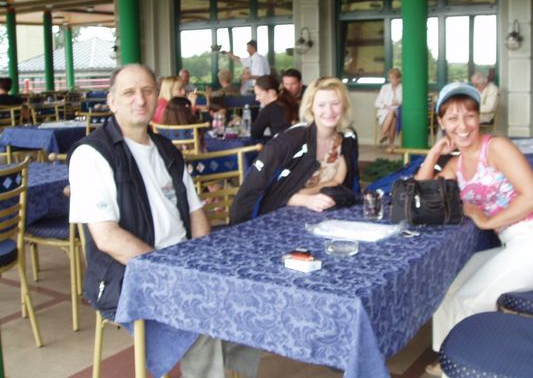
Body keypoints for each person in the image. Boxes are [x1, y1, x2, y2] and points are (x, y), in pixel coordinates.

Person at [68, 64, 260, 378]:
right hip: (127, 275)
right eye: (129, 92)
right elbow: (107, 238)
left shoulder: (165, 149)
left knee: (245, 293)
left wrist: (201, 260)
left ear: (157, 96)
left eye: (147, 91)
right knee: (200, 312)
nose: (139, 99)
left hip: (180, 261)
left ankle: (232, 369)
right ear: (112, 101)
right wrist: (168, 270)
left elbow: (196, 213)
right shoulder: (92, 155)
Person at [415, 82, 533, 377]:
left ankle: (468, 367)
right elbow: (421, 196)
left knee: (470, 297)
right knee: (447, 287)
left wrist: (488, 221)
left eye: (469, 116)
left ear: (480, 117)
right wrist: (435, 152)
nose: (463, 126)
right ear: (441, 122)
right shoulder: (456, 165)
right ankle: (451, 359)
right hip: (516, 244)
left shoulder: (496, 147)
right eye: (452, 118)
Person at [230, 77, 360, 224]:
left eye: (335, 104)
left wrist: (308, 195)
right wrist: (304, 200)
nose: (329, 111)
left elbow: (340, 183)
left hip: (326, 219)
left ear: (344, 106)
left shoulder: (347, 139)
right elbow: (258, 195)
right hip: (278, 222)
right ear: (311, 107)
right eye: (321, 105)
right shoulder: (288, 142)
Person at [251, 75, 298, 140]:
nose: (256, 98)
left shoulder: (268, 110)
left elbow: (255, 134)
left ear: (270, 92)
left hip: (284, 144)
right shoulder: (290, 102)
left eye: (258, 94)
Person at [374, 68, 402, 149]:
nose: (390, 80)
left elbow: (405, 102)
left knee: (392, 112)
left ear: (398, 79)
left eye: (393, 78)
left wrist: (398, 103)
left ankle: (383, 134)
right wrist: (386, 106)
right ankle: (391, 144)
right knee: (393, 119)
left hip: (398, 110)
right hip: (384, 110)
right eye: (389, 78)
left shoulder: (403, 88)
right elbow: (377, 103)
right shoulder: (385, 88)